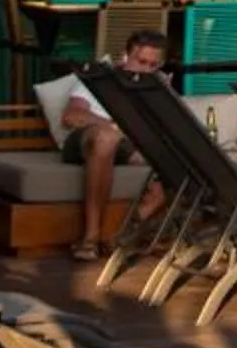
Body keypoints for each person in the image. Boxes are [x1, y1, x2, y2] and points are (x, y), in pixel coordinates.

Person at [53, 30, 170, 263]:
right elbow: (71, 116)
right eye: (141, 62)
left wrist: (161, 98)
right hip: (89, 138)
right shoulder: (99, 79)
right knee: (108, 138)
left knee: (180, 156)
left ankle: (128, 228)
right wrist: (115, 125)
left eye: (152, 65)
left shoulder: (157, 85)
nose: (145, 70)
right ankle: (91, 237)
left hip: (130, 144)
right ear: (126, 56)